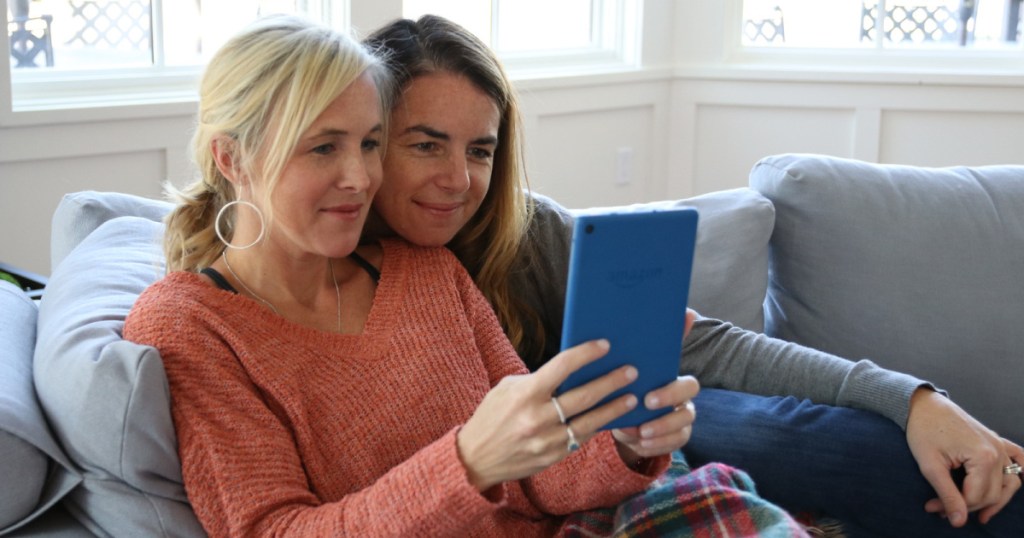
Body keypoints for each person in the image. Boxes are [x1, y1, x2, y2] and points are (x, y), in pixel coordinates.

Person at [123, 15, 810, 537]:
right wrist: (469, 461)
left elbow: (542, 471)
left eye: (367, 143)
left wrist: (625, 444)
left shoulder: (427, 271)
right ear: (232, 158)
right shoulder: (191, 324)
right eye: (323, 147)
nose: (360, 177)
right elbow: (275, 530)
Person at [362, 14, 1024, 538]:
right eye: (426, 144)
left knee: (803, 431)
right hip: (513, 487)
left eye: (481, 149)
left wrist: (913, 399)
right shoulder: (323, 273)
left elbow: (707, 345)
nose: (459, 179)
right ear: (370, 138)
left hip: (631, 444)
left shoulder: (527, 234)